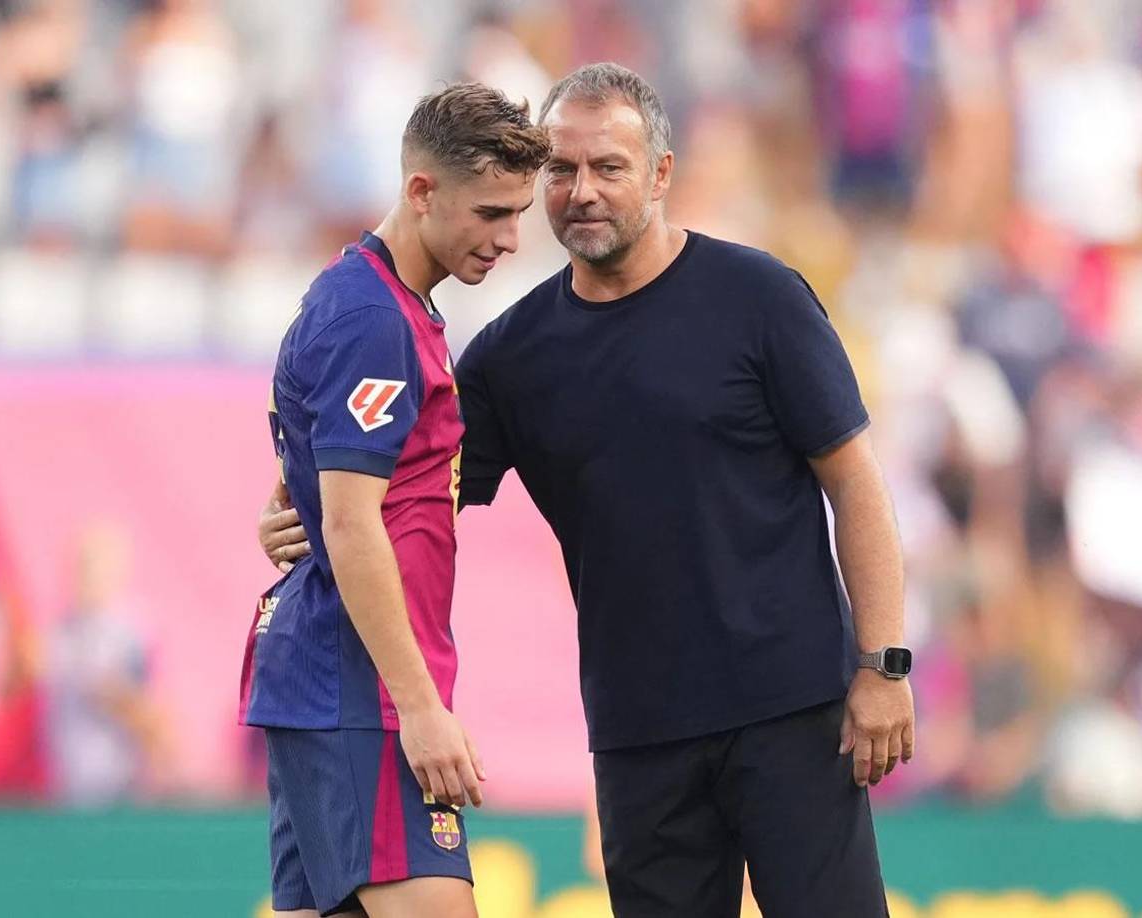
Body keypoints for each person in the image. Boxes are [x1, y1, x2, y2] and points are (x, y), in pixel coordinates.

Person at [261, 63, 914, 918]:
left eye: (609, 167)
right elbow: (406, 487)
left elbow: (855, 482)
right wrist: (314, 511)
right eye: (562, 172)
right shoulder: (509, 356)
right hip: (638, 737)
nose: (582, 191)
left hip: (792, 713)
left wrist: (884, 664)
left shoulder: (760, 298)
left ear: (661, 174)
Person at [242, 83, 550, 918]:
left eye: (519, 213)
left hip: (329, 681)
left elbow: (329, 478)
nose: (511, 239)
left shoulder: (367, 298)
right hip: (360, 693)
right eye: (491, 212)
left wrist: (300, 494)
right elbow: (349, 520)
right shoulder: (374, 319)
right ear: (421, 191)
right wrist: (418, 708)